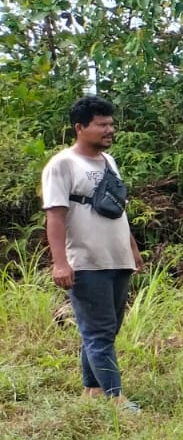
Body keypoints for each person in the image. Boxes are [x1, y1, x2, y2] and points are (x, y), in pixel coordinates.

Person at [41, 95, 146, 413]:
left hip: (117, 258)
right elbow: (55, 217)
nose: (109, 130)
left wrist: (132, 248)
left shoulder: (109, 162)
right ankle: (116, 399)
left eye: (111, 124)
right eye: (101, 124)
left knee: (108, 328)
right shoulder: (62, 165)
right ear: (80, 128)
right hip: (86, 262)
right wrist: (60, 263)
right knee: (98, 332)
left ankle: (92, 389)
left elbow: (117, 210)